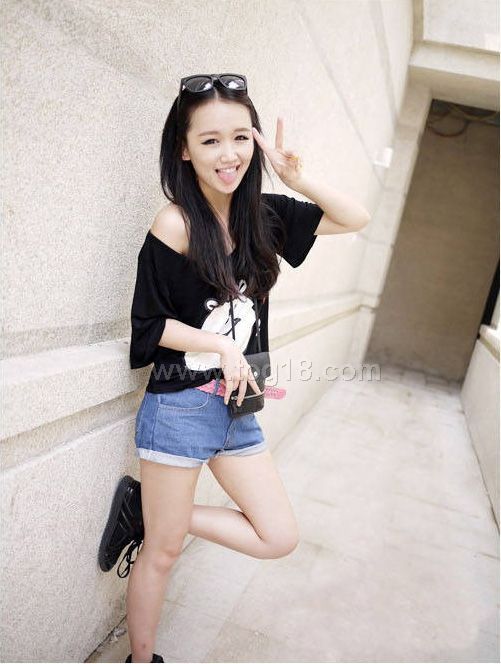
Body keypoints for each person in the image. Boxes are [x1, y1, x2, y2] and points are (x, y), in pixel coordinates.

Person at [98, 73, 370, 663]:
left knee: (278, 535)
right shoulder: (175, 224)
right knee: (163, 554)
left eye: (241, 137)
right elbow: (149, 327)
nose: (230, 154)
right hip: (179, 406)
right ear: (184, 149)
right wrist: (220, 347)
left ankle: (148, 514)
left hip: (239, 409)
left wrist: (295, 178)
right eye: (211, 140)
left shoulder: (265, 216)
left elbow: (355, 217)